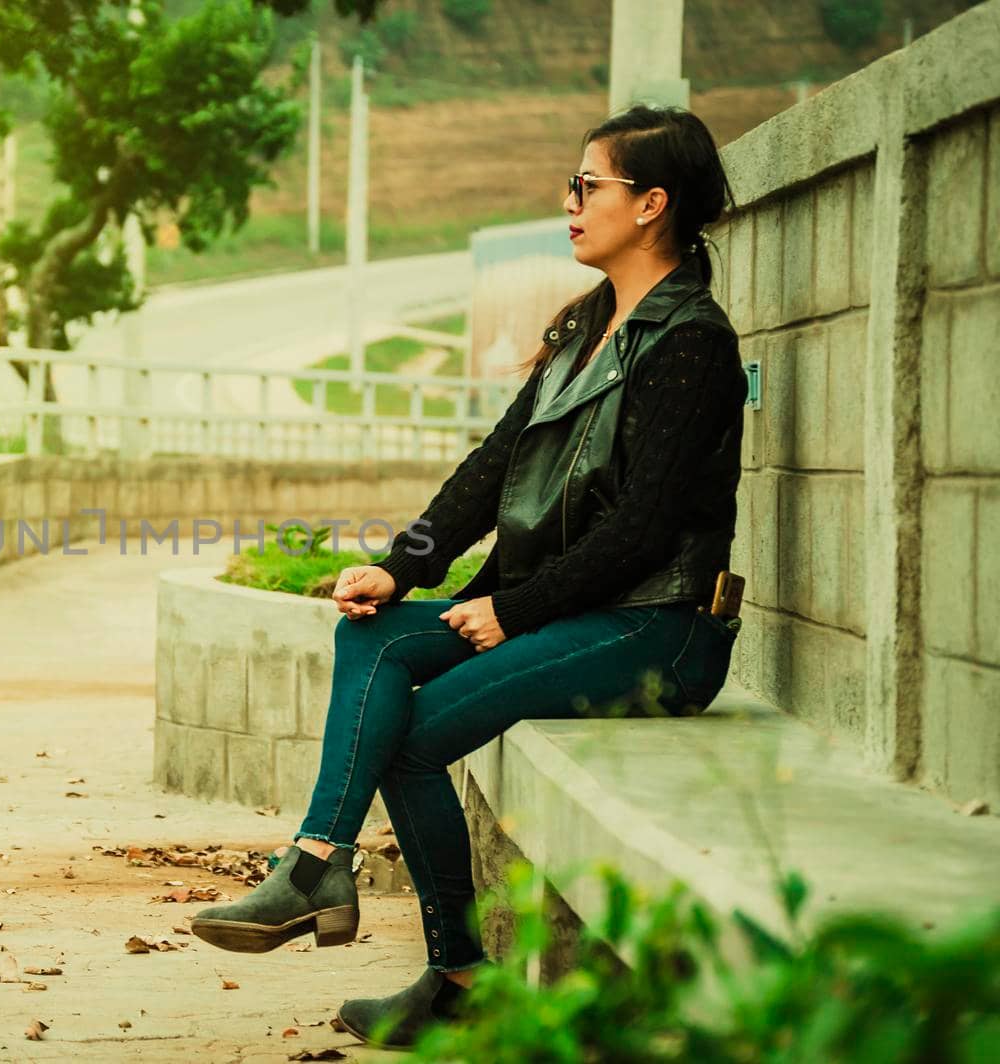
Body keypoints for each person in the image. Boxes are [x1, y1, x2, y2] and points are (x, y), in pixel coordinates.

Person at [189, 103, 748, 1049]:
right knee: (366, 630)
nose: (568, 204)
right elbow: (491, 469)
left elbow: (647, 527)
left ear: (652, 204)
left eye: (587, 187)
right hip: (571, 609)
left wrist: (514, 609)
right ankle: (323, 863)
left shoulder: (690, 340)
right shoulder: (586, 328)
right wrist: (400, 570)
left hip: (657, 625)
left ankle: (445, 971)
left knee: (409, 739)